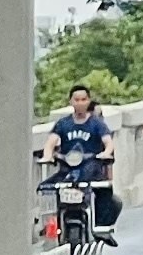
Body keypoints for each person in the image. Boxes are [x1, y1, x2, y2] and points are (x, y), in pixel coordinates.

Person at [48, 83, 118, 228]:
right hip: (67, 171)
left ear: (89, 101)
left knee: (104, 192)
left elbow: (108, 142)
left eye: (83, 99)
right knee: (54, 190)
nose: (80, 103)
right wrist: (47, 155)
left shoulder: (97, 124)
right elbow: (51, 141)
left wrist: (105, 153)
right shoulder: (63, 124)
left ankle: (101, 225)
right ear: (71, 102)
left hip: (91, 169)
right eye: (77, 100)